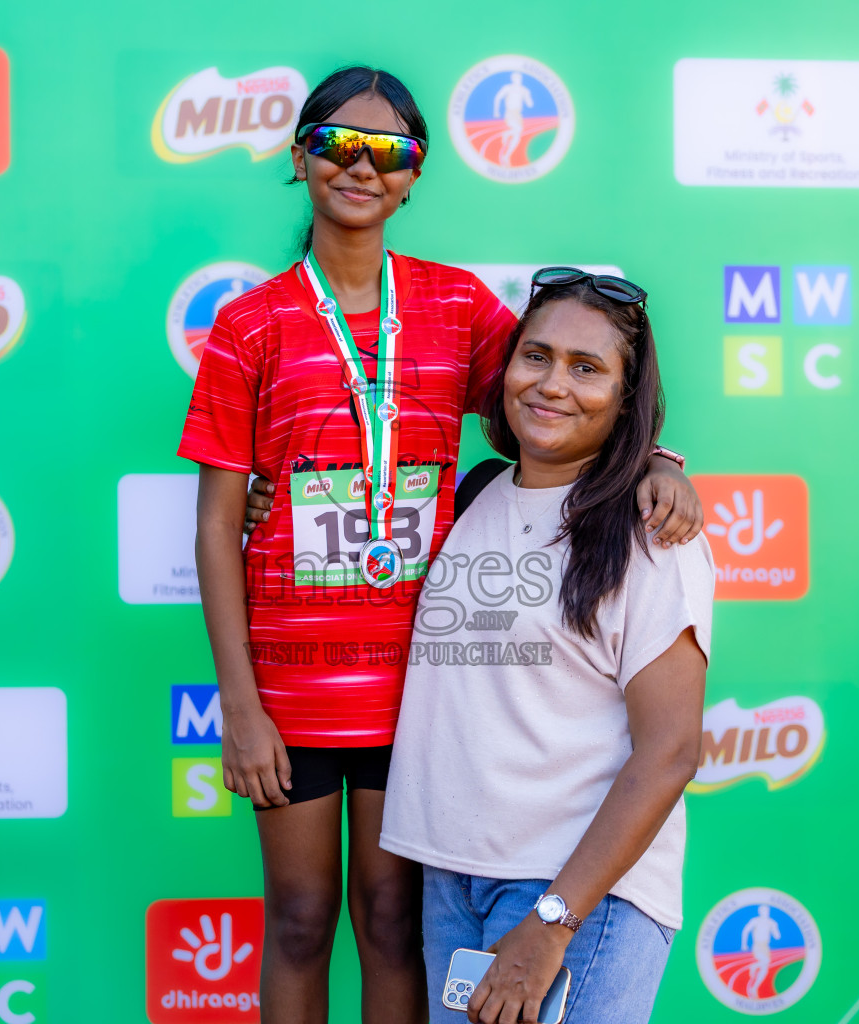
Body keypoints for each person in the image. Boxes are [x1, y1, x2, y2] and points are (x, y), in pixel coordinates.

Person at [182, 66, 702, 1023]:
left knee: (389, 920)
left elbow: (569, 387)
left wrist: (660, 458)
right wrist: (241, 707)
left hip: (412, 689)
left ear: (415, 176)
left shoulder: (457, 306)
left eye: (392, 152)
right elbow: (218, 522)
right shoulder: (248, 325)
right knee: (298, 920)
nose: (363, 166)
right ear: (300, 157)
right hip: (292, 684)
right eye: (340, 142)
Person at [380, 270, 714, 1023]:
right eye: (538, 356)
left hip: (571, 896)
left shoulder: (650, 533)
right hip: (453, 882)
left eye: (587, 368)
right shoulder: (472, 495)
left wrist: (553, 920)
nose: (553, 384)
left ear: (625, 400)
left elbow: (671, 751)